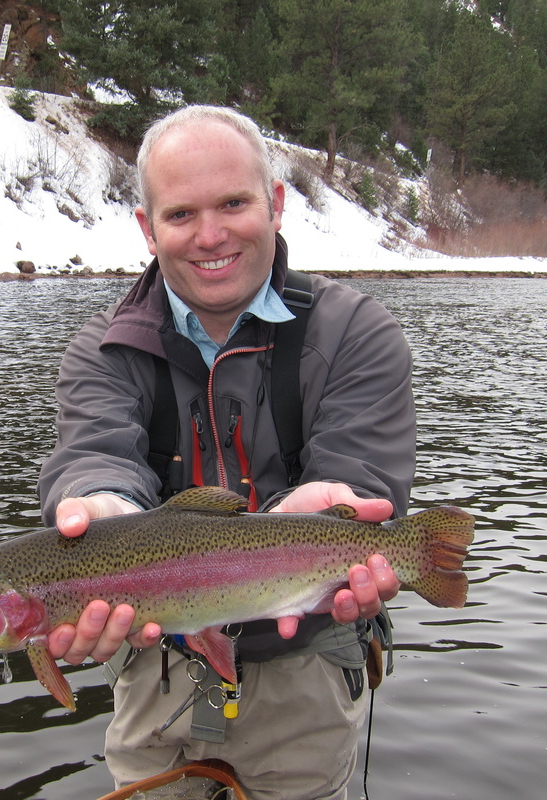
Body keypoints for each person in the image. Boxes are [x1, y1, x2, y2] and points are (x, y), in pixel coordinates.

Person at [37, 105, 416, 799]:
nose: (211, 236)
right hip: (162, 666)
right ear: (148, 230)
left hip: (305, 664)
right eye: (181, 215)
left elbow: (359, 471)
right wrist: (99, 513)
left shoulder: (356, 332)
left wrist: (334, 506)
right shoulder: (103, 350)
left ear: (274, 205)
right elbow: (95, 454)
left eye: (234, 203)